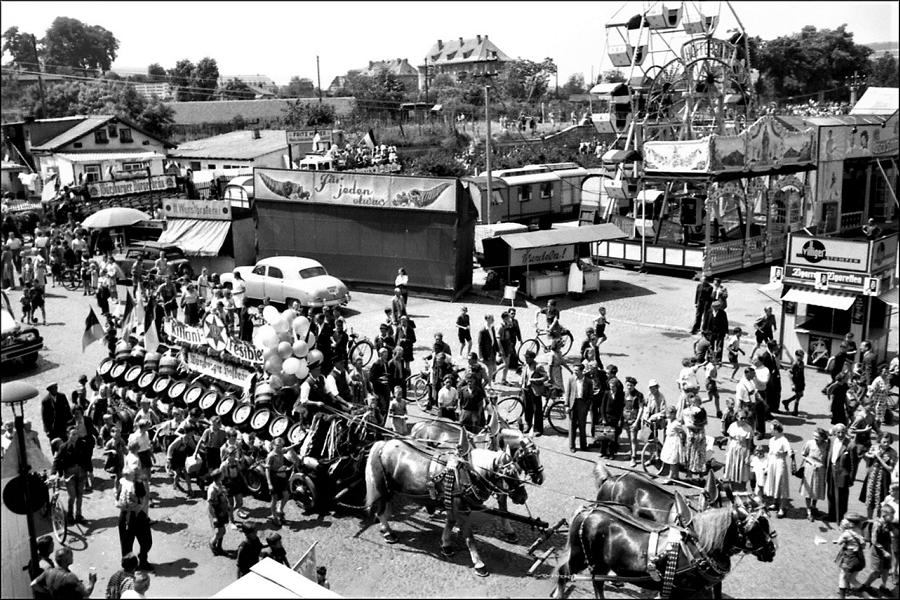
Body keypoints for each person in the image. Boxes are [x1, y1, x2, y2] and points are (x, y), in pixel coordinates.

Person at [30, 546, 97, 599]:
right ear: (66, 560)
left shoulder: (48, 572)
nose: (72, 557)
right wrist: (92, 582)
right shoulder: (70, 577)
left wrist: (46, 591)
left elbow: (33, 584)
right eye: (71, 556)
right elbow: (87, 593)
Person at [860, 432, 897, 519]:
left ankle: (879, 520)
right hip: (872, 476)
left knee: (882, 500)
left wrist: (879, 457)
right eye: (884, 441)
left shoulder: (892, 452)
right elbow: (866, 455)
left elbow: (890, 468)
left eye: (888, 442)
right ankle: (869, 519)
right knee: (870, 499)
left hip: (884, 478)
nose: (886, 444)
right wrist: (870, 455)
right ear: (879, 440)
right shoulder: (875, 447)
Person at [54, 425, 87, 524]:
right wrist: (54, 473)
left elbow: (87, 458)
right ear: (68, 435)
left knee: (80, 495)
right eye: (73, 434)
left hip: (81, 473)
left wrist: (89, 471)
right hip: (69, 474)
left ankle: (78, 515)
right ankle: (70, 515)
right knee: (72, 496)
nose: (75, 436)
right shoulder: (63, 447)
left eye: (76, 434)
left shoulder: (82, 444)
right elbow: (57, 460)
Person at [763, 420, 794, 518]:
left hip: (780, 462)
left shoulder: (783, 440)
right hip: (772, 462)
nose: (770, 431)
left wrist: (791, 456)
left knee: (781, 484)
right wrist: (767, 466)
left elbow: (789, 451)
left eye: (771, 429)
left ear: (777, 430)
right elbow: (769, 453)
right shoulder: (772, 440)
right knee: (773, 482)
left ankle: (782, 507)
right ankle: (775, 503)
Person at [833, 514, 867, 598]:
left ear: (851, 524)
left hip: (849, 558)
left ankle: (842, 596)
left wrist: (842, 531)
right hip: (859, 558)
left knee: (842, 576)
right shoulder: (859, 530)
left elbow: (839, 542)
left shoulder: (846, 533)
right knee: (852, 579)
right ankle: (868, 596)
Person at [799, 428, 829, 522]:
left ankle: (813, 507)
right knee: (808, 491)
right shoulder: (809, 443)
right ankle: (809, 512)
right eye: (814, 436)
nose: (815, 438)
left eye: (817, 437)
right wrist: (810, 461)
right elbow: (803, 454)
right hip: (810, 469)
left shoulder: (826, 445)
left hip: (821, 470)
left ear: (823, 437)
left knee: (817, 490)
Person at [827, 423, 854, 523]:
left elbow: (852, 463)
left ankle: (841, 519)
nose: (841, 434)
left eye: (843, 432)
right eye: (838, 432)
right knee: (830, 494)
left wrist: (851, 478)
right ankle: (831, 516)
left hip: (842, 473)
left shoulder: (850, 444)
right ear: (835, 433)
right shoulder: (832, 440)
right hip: (831, 469)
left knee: (841, 497)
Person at [723, 409, 754, 492]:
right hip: (733, 448)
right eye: (741, 418)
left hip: (742, 449)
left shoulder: (748, 428)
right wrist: (727, 451)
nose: (743, 420)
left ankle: (742, 489)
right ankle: (731, 488)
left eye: (745, 418)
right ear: (737, 417)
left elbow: (749, 443)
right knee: (731, 467)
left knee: (742, 469)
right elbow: (729, 439)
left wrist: (748, 455)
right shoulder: (732, 426)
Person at [564, 363, 592, 453]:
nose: (574, 372)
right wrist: (566, 405)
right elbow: (567, 393)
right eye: (574, 370)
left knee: (582, 426)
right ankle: (572, 446)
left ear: (581, 371)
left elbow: (590, 396)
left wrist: (587, 406)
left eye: (576, 370)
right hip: (573, 404)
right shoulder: (571, 379)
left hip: (582, 404)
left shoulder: (588, 381)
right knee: (572, 426)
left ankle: (583, 445)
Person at [520, 350, 548, 436]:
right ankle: (528, 425)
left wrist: (535, 380)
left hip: (535, 390)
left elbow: (546, 377)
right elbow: (524, 375)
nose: (526, 359)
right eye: (525, 357)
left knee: (537, 410)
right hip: (526, 389)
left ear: (532, 358)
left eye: (527, 358)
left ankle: (538, 429)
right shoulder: (525, 365)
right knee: (527, 408)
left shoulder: (538, 366)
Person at [266, 437, 292, 525]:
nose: (279, 447)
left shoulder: (281, 451)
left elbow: (287, 448)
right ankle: (274, 516)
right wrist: (269, 483)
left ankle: (280, 510)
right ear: (273, 445)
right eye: (277, 445)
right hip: (274, 477)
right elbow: (267, 470)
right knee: (274, 499)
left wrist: (297, 444)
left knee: (286, 495)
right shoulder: (271, 456)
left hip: (282, 475)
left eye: (280, 446)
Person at [682, 394, 708, 479]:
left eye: (697, 403)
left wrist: (700, 424)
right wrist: (699, 426)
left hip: (700, 436)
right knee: (690, 453)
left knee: (701, 454)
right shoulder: (686, 411)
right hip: (692, 435)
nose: (694, 404)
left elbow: (705, 422)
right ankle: (689, 474)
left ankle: (701, 476)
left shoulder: (702, 411)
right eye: (693, 402)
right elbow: (687, 424)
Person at [207, 467, 230, 555]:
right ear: (219, 476)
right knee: (221, 532)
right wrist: (214, 517)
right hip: (217, 512)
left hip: (222, 510)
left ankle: (219, 547)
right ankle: (212, 543)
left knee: (222, 531)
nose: (224, 475)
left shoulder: (219, 484)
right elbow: (211, 505)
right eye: (222, 474)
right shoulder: (212, 489)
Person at [659, 406, 685, 484]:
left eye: (668, 414)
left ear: (673, 414)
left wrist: (683, 441)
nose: (667, 415)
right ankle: (676, 476)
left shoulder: (676, 423)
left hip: (674, 442)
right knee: (673, 460)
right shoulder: (669, 421)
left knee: (673, 460)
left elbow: (683, 432)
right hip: (669, 441)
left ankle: (670, 477)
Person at [621, 376, 643, 464]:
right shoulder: (624, 394)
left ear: (634, 385)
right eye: (627, 385)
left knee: (633, 438)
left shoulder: (639, 395)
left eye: (631, 385)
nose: (629, 387)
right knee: (629, 438)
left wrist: (637, 421)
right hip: (626, 419)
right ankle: (632, 453)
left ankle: (633, 457)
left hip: (634, 419)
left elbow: (641, 408)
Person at [782, 349, 806, 416]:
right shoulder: (795, 364)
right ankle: (795, 411)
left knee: (801, 395)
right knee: (798, 396)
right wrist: (792, 384)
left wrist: (803, 382)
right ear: (796, 356)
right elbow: (789, 374)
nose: (802, 357)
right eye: (800, 356)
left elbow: (802, 373)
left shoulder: (802, 363)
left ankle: (786, 402)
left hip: (801, 382)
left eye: (802, 356)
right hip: (796, 382)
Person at [477, 314, 500, 382]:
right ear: (487, 319)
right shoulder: (482, 330)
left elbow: (494, 339)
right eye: (491, 318)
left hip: (492, 351)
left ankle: (490, 380)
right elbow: (480, 344)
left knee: (494, 368)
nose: (493, 320)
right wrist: (480, 356)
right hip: (486, 353)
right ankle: (488, 385)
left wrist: (498, 350)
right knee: (489, 369)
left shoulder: (492, 328)